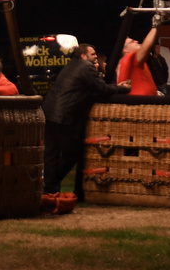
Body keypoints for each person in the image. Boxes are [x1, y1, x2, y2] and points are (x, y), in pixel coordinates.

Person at [42, 43, 129, 199]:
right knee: (73, 153)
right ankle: (50, 183)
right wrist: (122, 88)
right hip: (64, 116)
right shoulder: (85, 67)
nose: (95, 57)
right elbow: (102, 89)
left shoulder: (72, 65)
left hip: (49, 113)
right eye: (93, 54)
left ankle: (49, 191)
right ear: (83, 56)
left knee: (51, 155)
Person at [115, 24, 161, 97]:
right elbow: (145, 47)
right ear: (125, 49)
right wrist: (155, 26)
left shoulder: (123, 62)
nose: (136, 41)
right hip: (141, 104)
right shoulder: (130, 58)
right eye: (132, 41)